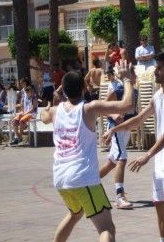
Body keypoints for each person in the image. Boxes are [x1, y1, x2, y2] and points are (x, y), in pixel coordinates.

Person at [103, 52, 164, 241]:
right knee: (160, 207)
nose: (155, 71)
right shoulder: (158, 95)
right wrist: (115, 129)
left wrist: (147, 155)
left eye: (159, 68)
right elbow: (139, 119)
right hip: (160, 165)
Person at [40, 62, 134, 242]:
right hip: (83, 177)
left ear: (64, 90)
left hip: (61, 178)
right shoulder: (88, 109)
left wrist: (54, 98)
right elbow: (127, 105)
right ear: (84, 87)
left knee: (74, 215)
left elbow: (44, 116)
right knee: (106, 228)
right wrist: (127, 79)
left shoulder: (54, 111)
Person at [99, 66, 138, 209]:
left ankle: (88, 184)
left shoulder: (135, 92)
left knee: (112, 163)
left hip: (125, 130)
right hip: (115, 129)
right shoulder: (118, 91)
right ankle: (119, 196)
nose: (136, 76)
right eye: (133, 73)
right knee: (122, 158)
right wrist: (115, 116)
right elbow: (103, 107)